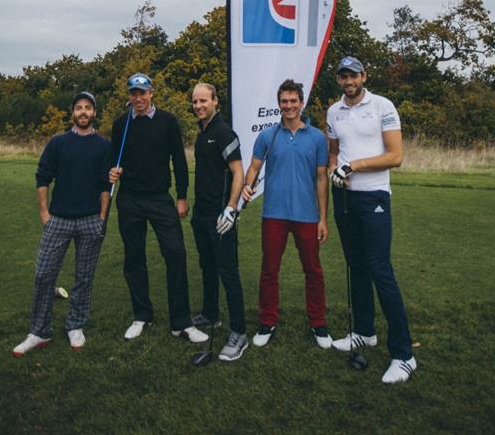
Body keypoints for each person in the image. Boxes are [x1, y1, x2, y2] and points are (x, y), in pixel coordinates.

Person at [326, 56, 417, 384]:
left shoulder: (383, 106)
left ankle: (404, 354)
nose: (349, 81)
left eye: (353, 75)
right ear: (338, 80)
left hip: (374, 196)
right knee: (357, 266)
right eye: (343, 76)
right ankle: (364, 331)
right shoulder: (334, 111)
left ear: (363, 76)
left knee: (380, 269)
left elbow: (396, 156)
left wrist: (355, 166)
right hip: (345, 196)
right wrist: (335, 168)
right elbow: (334, 151)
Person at [109, 73, 207, 344]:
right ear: (129, 96)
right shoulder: (121, 124)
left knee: (175, 253)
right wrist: (112, 171)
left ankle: (181, 321)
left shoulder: (167, 121)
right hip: (129, 199)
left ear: (151, 92)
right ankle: (142, 315)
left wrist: (182, 196)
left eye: (143, 92)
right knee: (134, 257)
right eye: (133, 93)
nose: (138, 98)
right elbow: (112, 159)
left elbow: (178, 159)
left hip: (160, 198)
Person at [13, 92, 110, 356]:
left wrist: (102, 216)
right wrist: (44, 213)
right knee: (44, 274)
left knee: (84, 277)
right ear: (72, 113)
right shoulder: (58, 143)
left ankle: (75, 326)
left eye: (88, 108)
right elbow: (42, 177)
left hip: (90, 220)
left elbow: (105, 185)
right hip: (58, 220)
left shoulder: (103, 146)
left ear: (94, 113)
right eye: (78, 107)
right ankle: (39, 331)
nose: (83, 112)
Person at [242, 79, 332, 349]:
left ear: (301, 103)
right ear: (279, 104)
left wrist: (323, 218)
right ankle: (267, 321)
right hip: (274, 213)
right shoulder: (267, 136)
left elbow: (321, 178)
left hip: (307, 215)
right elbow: (254, 168)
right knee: (269, 270)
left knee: (313, 271)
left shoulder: (317, 137)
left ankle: (318, 323)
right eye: (284, 101)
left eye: (294, 101)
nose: (289, 106)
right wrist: (248, 185)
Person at [191, 83, 248, 361]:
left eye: (203, 101)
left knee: (228, 271)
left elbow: (239, 172)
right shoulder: (202, 133)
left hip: (219, 215)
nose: (199, 105)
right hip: (201, 214)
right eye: (195, 102)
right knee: (207, 266)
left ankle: (239, 331)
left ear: (215, 102)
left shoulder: (224, 132)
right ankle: (211, 313)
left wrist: (231, 208)